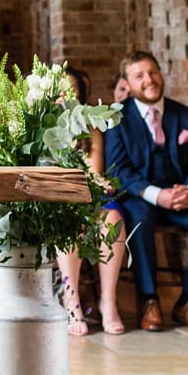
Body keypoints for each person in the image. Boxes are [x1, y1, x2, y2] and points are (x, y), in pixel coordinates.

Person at [104, 49, 188, 331]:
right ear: (127, 84)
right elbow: (118, 171)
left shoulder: (185, 114)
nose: (149, 80)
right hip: (140, 198)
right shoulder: (116, 117)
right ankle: (149, 299)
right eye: (139, 76)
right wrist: (157, 194)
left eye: (152, 72)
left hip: (181, 198)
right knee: (138, 219)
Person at [55, 67, 128, 336]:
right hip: (58, 197)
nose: (66, 95)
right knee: (71, 224)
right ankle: (71, 299)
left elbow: (94, 173)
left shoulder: (90, 128)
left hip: (89, 194)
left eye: (72, 90)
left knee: (113, 218)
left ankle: (108, 300)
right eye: (61, 89)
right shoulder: (43, 127)